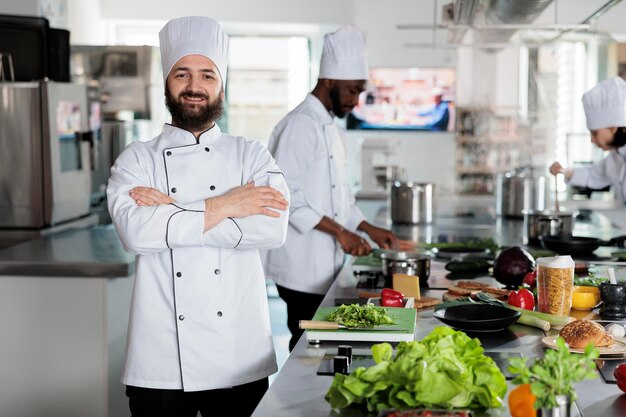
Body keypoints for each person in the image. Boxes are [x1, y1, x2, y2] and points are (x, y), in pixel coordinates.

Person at [106, 16, 289, 417]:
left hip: (239, 356)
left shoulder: (251, 153)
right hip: (160, 361)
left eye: (207, 75)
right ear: (167, 83)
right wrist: (227, 205)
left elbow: (273, 227)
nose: (194, 86)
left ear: (221, 85)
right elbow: (136, 234)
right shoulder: (136, 159)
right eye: (182, 74)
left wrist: (170, 216)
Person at [263, 25, 398, 351]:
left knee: (322, 342)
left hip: (324, 263)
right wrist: (342, 233)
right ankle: (299, 401)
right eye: (352, 91)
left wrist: (366, 227)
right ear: (328, 82)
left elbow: (340, 197)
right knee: (308, 346)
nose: (355, 100)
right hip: (301, 265)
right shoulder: (300, 125)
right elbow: (286, 197)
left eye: (360, 92)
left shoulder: (330, 126)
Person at [550, 77, 626, 203]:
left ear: (613, 127)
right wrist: (562, 171)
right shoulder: (614, 158)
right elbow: (593, 175)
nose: (592, 140)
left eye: (595, 133)